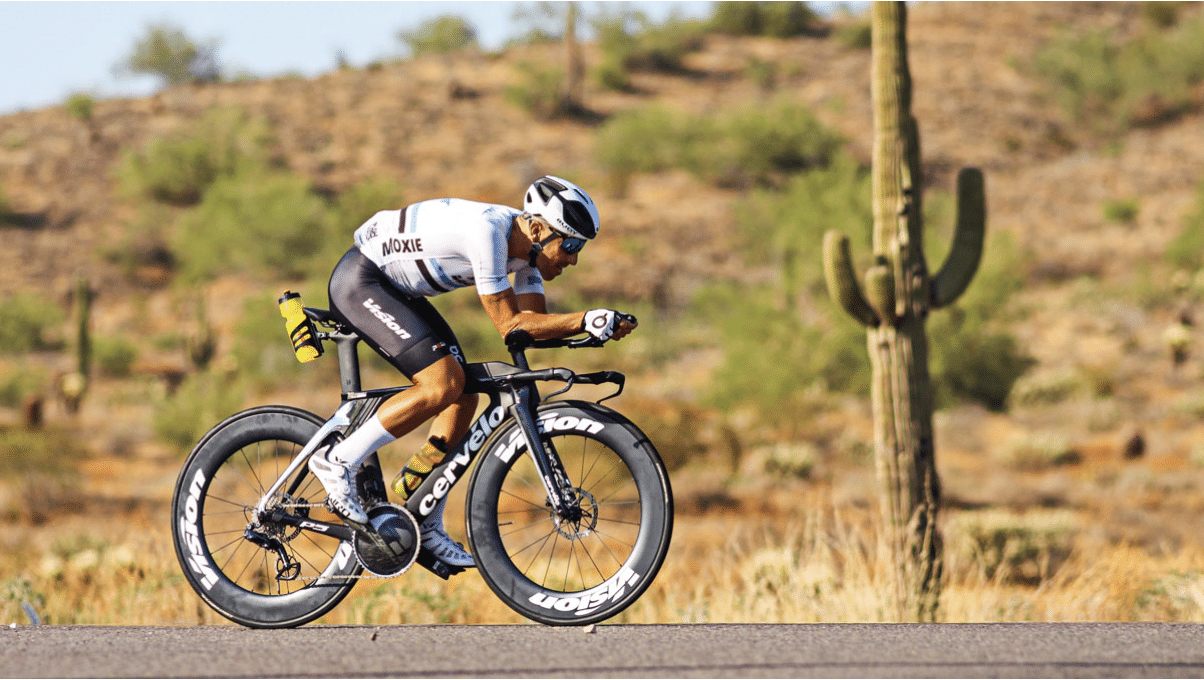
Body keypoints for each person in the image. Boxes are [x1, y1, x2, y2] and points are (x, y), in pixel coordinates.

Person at [308, 175, 637, 568]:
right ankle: (338, 460)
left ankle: (424, 517)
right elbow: (510, 326)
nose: (574, 258)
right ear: (536, 229)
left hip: (397, 291)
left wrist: (594, 329)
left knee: (463, 392)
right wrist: (585, 318)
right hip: (363, 280)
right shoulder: (489, 233)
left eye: (579, 247)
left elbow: (534, 327)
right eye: (569, 244)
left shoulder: (528, 257)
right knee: (442, 382)